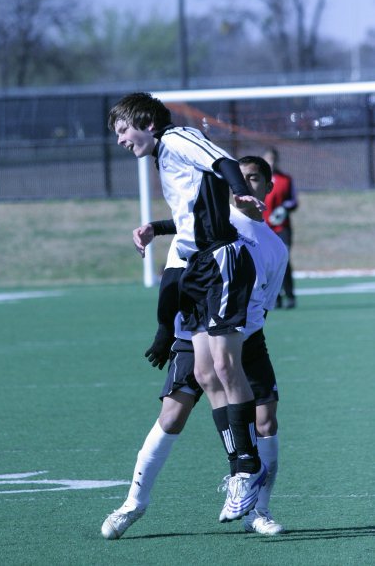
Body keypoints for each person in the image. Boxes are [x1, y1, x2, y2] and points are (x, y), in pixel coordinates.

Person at [101, 156, 288, 539]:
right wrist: (155, 227)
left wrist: (239, 342)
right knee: (172, 415)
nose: (247, 185)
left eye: (255, 179)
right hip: (194, 332)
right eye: (243, 178)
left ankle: (259, 510)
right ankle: (133, 504)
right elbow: (178, 255)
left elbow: (264, 304)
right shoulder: (214, 225)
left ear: (268, 187)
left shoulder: (275, 248)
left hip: (247, 337)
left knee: (265, 420)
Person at [263, 147, 298, 309]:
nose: (272, 163)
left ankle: (290, 296)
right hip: (264, 228)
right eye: (268, 159)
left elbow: (293, 201)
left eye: (274, 159)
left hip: (282, 228)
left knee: (284, 260)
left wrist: (285, 207)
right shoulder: (259, 180)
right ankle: (274, 298)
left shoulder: (286, 179)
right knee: (269, 263)